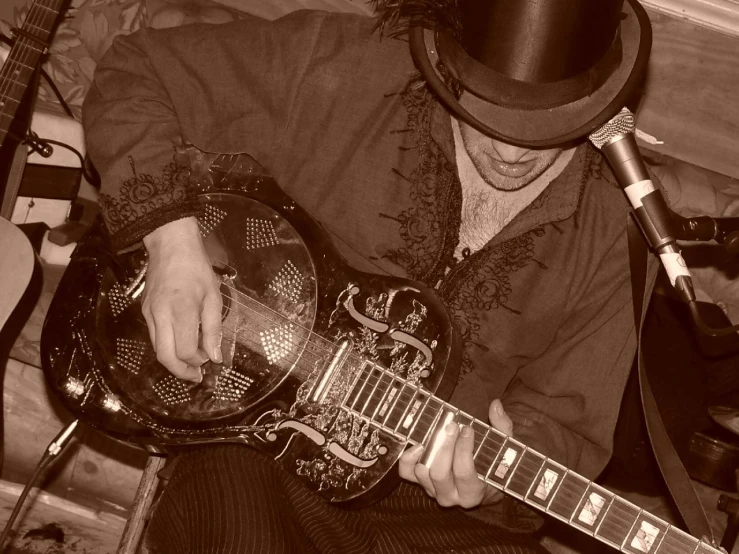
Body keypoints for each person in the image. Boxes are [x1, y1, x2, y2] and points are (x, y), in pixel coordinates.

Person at [81, 0, 657, 552]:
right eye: (486, 111)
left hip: (423, 507)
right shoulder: (339, 64)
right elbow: (136, 70)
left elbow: (564, 425)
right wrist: (172, 241)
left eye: (548, 127)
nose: (510, 151)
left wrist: (488, 473)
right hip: (250, 435)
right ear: (447, 60)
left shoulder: (616, 224)